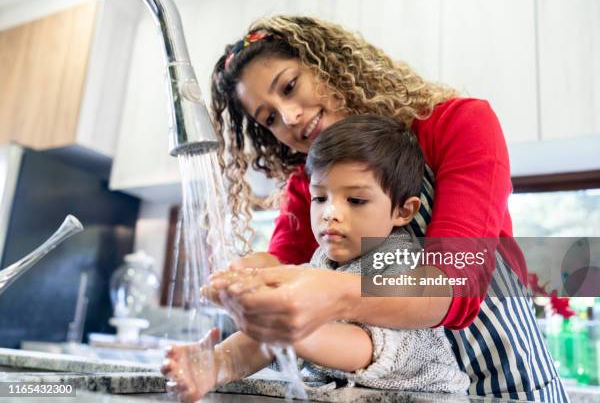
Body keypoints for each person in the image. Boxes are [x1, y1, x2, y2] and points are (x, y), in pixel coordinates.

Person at [203, 16, 567, 401]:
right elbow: (290, 270)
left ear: (328, 62)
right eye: (270, 118)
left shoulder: (458, 125)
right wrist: (249, 281)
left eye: (290, 87)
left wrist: (335, 293)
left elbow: (449, 285)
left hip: (507, 385)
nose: (290, 117)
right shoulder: (304, 184)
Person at [162, 115, 470, 402]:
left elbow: (367, 347)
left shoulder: (402, 263)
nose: (330, 214)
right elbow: (266, 341)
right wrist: (220, 362)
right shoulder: (321, 264)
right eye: (320, 197)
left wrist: (289, 328)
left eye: (356, 200)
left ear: (403, 211)